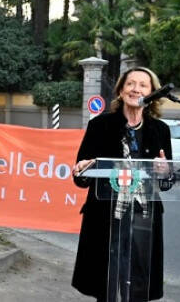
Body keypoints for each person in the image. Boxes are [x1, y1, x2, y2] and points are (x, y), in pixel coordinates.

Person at [71, 67, 172, 301]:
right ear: (120, 90)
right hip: (105, 217)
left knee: (139, 283)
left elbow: (166, 181)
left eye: (143, 85)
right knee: (105, 287)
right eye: (130, 84)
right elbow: (80, 177)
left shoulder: (160, 130)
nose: (135, 89)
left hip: (144, 218)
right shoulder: (100, 126)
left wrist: (165, 172)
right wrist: (83, 169)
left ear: (153, 93)